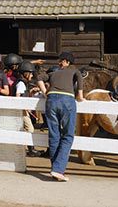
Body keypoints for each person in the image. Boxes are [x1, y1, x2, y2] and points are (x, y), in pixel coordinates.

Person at [37, 51, 85, 182]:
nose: (59, 62)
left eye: (61, 60)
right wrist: (80, 96)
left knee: (54, 135)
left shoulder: (53, 73)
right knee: (68, 135)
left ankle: (55, 169)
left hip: (51, 100)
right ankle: (58, 170)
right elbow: (79, 78)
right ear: (69, 62)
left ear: (65, 62)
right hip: (67, 100)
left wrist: (45, 92)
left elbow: (40, 78)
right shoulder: (74, 70)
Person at [14, 60, 42, 157]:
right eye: (30, 73)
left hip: (22, 110)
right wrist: (24, 107)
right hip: (21, 111)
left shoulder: (23, 83)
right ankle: (31, 150)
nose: (32, 75)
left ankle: (30, 149)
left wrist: (30, 93)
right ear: (26, 73)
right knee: (30, 129)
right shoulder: (21, 84)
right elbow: (18, 96)